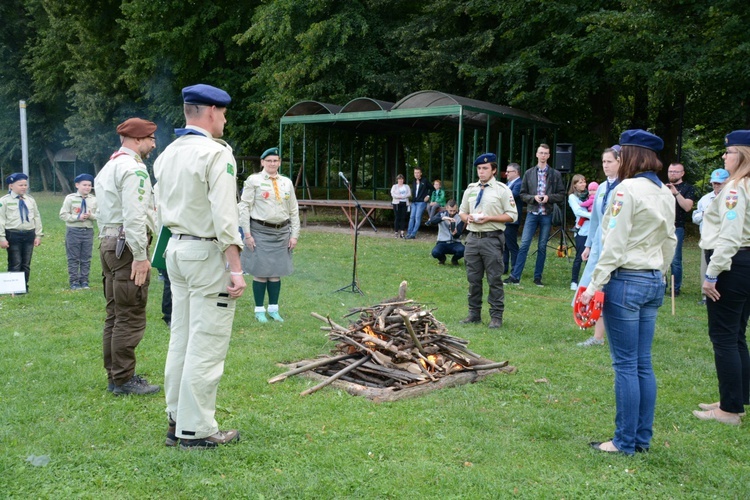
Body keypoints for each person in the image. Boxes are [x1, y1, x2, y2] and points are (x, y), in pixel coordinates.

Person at [154, 83, 246, 449]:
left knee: (182, 337)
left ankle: (177, 418)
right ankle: (197, 429)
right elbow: (226, 216)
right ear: (210, 111)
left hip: (175, 249)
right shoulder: (216, 154)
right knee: (206, 342)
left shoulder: (168, 153)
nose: (224, 119)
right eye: (222, 112)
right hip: (205, 252)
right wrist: (235, 267)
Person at [582, 129, 676, 455]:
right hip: (652, 279)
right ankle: (640, 439)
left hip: (626, 281)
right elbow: (671, 241)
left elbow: (614, 243)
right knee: (642, 364)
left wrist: (593, 285)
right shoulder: (664, 191)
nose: (618, 161)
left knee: (625, 365)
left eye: (621, 155)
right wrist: (659, 274)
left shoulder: (626, 190)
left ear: (631, 157)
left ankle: (624, 441)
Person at [95, 117, 159, 396]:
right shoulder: (134, 170)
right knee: (130, 314)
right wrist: (141, 255)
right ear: (136, 140)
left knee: (115, 313)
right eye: (150, 139)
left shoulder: (110, 166)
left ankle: (116, 375)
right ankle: (123, 380)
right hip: (126, 246)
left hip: (109, 243)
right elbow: (134, 216)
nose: (154, 144)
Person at [693, 130, 750, 426]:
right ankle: (736, 397)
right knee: (737, 335)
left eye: (728, 152)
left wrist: (712, 274)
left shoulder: (734, 188)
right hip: (745, 263)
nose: (724, 157)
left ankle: (729, 411)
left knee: (724, 337)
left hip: (732, 263)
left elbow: (729, 237)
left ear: (741, 155)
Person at [238, 147, 300, 323]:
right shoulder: (254, 180)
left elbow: (294, 210)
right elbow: (244, 207)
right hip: (260, 231)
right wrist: (247, 234)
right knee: (260, 272)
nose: (273, 163)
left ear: (279, 162)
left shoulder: (286, 182)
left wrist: (294, 235)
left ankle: (273, 309)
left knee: (276, 272)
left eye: (276, 160)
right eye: (269, 160)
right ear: (262, 162)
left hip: (281, 232)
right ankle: (259, 310)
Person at [459, 153, 518, 329]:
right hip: (472, 239)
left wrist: (489, 218)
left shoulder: (502, 190)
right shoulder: (471, 189)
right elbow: (462, 211)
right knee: (473, 279)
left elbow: (512, 216)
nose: (481, 172)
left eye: (485, 168)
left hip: (491, 239)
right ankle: (474, 314)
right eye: (479, 168)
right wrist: (467, 217)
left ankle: (496, 316)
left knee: (494, 279)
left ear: (493, 170)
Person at [505, 144, 565, 286]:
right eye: (541, 153)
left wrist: (548, 198)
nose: (543, 155)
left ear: (549, 156)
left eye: (546, 153)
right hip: (532, 212)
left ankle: (538, 277)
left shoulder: (555, 174)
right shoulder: (529, 173)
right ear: (537, 154)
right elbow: (522, 194)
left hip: (547, 213)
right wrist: (533, 198)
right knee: (525, 244)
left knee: (542, 246)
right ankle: (515, 276)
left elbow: (562, 195)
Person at [692, 168, 729, 305]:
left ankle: (722, 294)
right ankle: (705, 296)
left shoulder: (731, 198)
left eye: (720, 183)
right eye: (714, 183)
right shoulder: (705, 199)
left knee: (722, 268)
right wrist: (704, 214)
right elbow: (695, 217)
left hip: (723, 239)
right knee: (706, 267)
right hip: (707, 239)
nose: (716, 186)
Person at [0, 173, 43, 291]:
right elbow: (1, 220)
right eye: (20, 185)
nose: (24, 187)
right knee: (15, 261)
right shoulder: (4, 201)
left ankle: (24, 286)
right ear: (11, 186)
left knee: (26, 263)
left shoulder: (30, 200)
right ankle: (13, 288)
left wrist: (38, 235)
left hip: (29, 234)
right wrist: (2, 238)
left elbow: (36, 217)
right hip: (13, 234)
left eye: (25, 185)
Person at [59, 173, 97, 290]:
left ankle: (84, 280)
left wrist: (91, 216)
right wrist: (77, 218)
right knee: (73, 257)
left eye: (89, 185)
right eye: (84, 185)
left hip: (88, 231)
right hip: (73, 230)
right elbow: (63, 214)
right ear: (77, 185)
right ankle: (74, 281)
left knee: (86, 257)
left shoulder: (94, 200)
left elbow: (100, 216)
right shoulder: (70, 198)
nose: (87, 187)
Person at [665, 162, 697, 296]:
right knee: (660, 257)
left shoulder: (688, 188)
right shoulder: (662, 187)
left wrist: (676, 193)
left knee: (675, 259)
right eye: (670, 171)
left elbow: (687, 207)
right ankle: (661, 286)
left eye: (675, 171)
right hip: (662, 227)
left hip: (677, 227)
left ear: (682, 173)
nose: (672, 174)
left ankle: (675, 289)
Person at [567, 174, 592, 290]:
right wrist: (592, 215)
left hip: (592, 229)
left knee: (591, 258)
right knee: (579, 256)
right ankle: (574, 281)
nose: (583, 184)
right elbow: (578, 211)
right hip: (582, 230)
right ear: (575, 185)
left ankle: (588, 282)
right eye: (580, 182)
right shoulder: (572, 197)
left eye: (584, 181)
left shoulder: (589, 195)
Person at [425, 199, 464, 265]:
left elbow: (459, 233)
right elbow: (432, 221)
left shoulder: (460, 217)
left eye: (454, 210)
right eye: (450, 210)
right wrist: (443, 218)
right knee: (435, 252)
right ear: (446, 208)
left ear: (457, 209)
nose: (452, 212)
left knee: (463, 250)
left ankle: (454, 260)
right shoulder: (441, 214)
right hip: (442, 242)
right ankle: (442, 259)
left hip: (455, 242)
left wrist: (455, 233)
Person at [503, 163, 523, 274]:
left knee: (512, 245)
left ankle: (515, 268)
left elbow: (512, 196)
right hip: (505, 218)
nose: (506, 173)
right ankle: (504, 267)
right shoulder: (508, 184)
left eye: (508, 171)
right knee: (504, 244)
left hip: (512, 219)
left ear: (515, 172)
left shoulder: (519, 184)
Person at [405, 167, 433, 239]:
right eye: (415, 173)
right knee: (411, 217)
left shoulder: (425, 180)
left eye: (418, 172)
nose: (416, 174)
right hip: (414, 202)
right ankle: (409, 233)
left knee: (417, 217)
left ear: (421, 173)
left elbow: (432, 188)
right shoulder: (413, 181)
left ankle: (413, 234)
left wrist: (428, 196)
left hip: (421, 202)